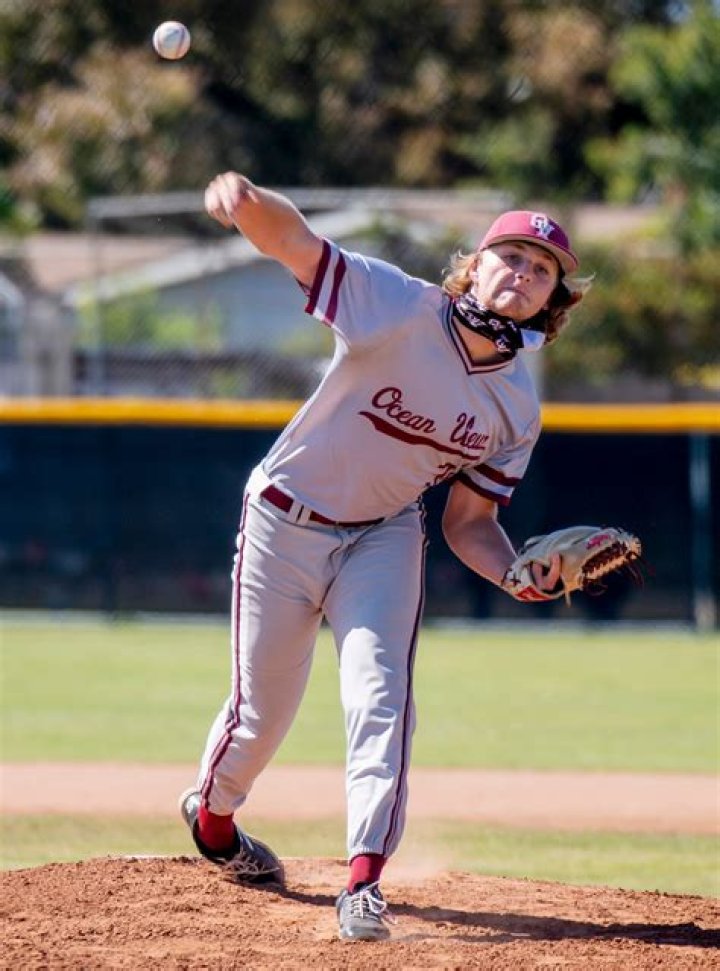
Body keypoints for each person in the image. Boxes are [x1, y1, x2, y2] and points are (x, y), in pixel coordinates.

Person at [180, 174, 589, 942]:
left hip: (385, 533)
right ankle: (212, 816)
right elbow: (296, 244)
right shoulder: (397, 305)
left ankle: (363, 881)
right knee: (261, 716)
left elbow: (471, 522)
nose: (523, 274)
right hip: (283, 519)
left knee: (381, 696)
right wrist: (246, 200)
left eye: (542, 270)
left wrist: (513, 573)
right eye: (511, 255)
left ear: (551, 303)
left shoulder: (516, 407)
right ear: (475, 264)